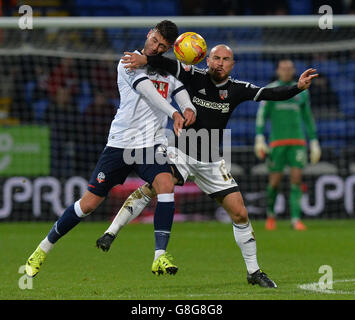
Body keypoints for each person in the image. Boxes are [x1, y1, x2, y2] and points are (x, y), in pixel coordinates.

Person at [96, 45, 318, 288]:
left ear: (232, 64)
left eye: (225, 59)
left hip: (211, 160)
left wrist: (297, 87)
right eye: (216, 58)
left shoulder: (237, 89)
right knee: (153, 187)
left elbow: (269, 94)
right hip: (180, 151)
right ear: (207, 59)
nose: (220, 63)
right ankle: (111, 232)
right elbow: (167, 64)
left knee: (240, 213)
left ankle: (253, 271)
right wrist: (145, 58)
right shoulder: (194, 76)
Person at [25, 20, 197, 278]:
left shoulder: (169, 71)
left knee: (165, 185)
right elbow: (148, 92)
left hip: (151, 144)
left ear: (168, 48)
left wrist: (188, 110)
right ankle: (42, 248)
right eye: (155, 41)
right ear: (149, 33)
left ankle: (159, 256)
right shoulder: (128, 61)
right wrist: (173, 112)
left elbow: (183, 93)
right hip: (121, 143)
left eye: (162, 46)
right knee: (88, 204)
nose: (156, 48)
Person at [254, 59, 321, 231]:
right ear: (278, 71)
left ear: (293, 70)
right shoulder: (271, 90)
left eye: (289, 68)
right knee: (274, 182)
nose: (286, 71)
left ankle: (295, 219)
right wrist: (259, 137)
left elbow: (308, 117)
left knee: (296, 179)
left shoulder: (302, 91)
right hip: (277, 142)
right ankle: (270, 215)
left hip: (297, 140)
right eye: (283, 68)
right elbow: (262, 116)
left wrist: (313, 141)